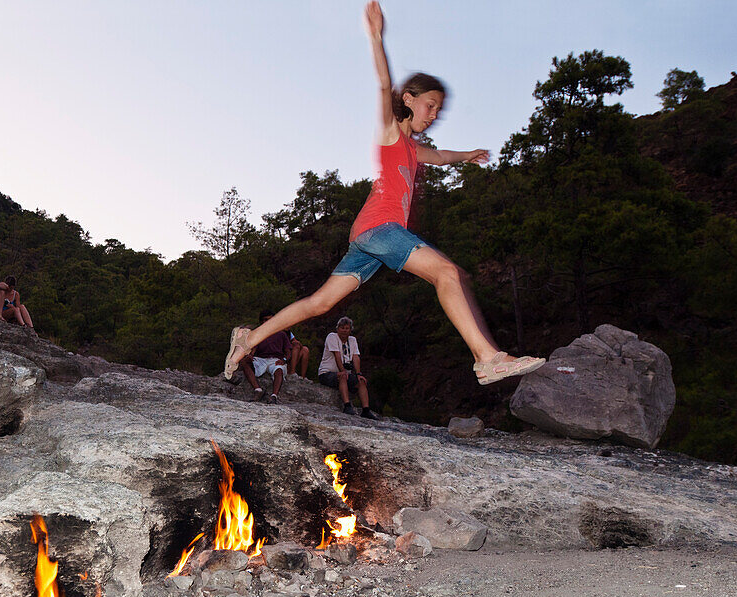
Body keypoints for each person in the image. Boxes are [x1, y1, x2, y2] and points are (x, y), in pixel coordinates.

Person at [225, 1, 544, 387]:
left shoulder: (413, 150)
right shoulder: (391, 133)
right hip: (380, 228)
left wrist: (468, 155)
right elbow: (381, 85)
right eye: (430, 105)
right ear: (409, 99)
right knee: (446, 273)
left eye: (439, 110)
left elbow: (441, 156)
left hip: (368, 237)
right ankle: (487, 358)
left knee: (321, 303)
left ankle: (249, 338)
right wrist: (376, 37)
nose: (433, 114)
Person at [318, 317, 379, 419]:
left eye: (347, 328)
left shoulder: (352, 340)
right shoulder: (332, 337)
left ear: (350, 330)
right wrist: (343, 370)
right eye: (342, 328)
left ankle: (366, 410)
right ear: (338, 329)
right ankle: (347, 406)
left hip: (345, 374)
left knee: (361, 382)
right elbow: (337, 355)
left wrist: (358, 374)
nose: (344, 330)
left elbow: (355, 357)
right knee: (343, 376)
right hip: (327, 373)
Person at [239, 310, 291, 403]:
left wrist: (284, 360)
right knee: (244, 362)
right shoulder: (257, 333)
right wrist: (250, 355)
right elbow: (253, 348)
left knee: (279, 370)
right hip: (261, 359)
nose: (266, 322)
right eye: (264, 320)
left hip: (275, 359)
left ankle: (274, 396)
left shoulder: (281, 334)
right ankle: (258, 390)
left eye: (269, 320)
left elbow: (288, 351)